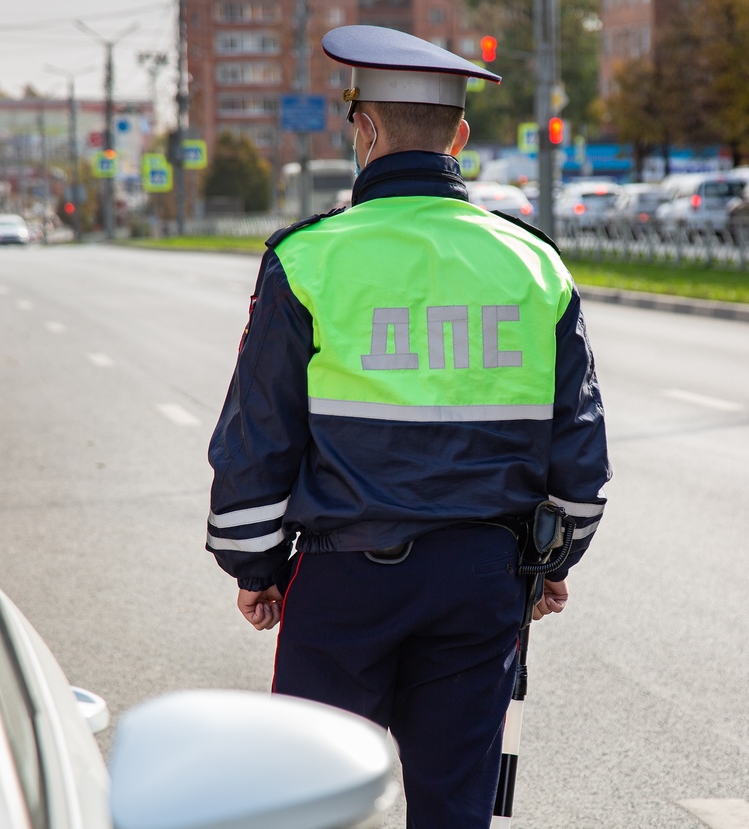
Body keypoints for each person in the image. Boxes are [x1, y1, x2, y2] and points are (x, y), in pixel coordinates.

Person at [205, 24, 611, 828]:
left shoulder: (308, 257)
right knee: (455, 810)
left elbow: (258, 435)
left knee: (306, 803)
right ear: (458, 136)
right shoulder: (533, 263)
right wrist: (550, 558)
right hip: (481, 582)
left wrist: (254, 567)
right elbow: (581, 452)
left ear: (365, 128)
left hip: (343, 584)